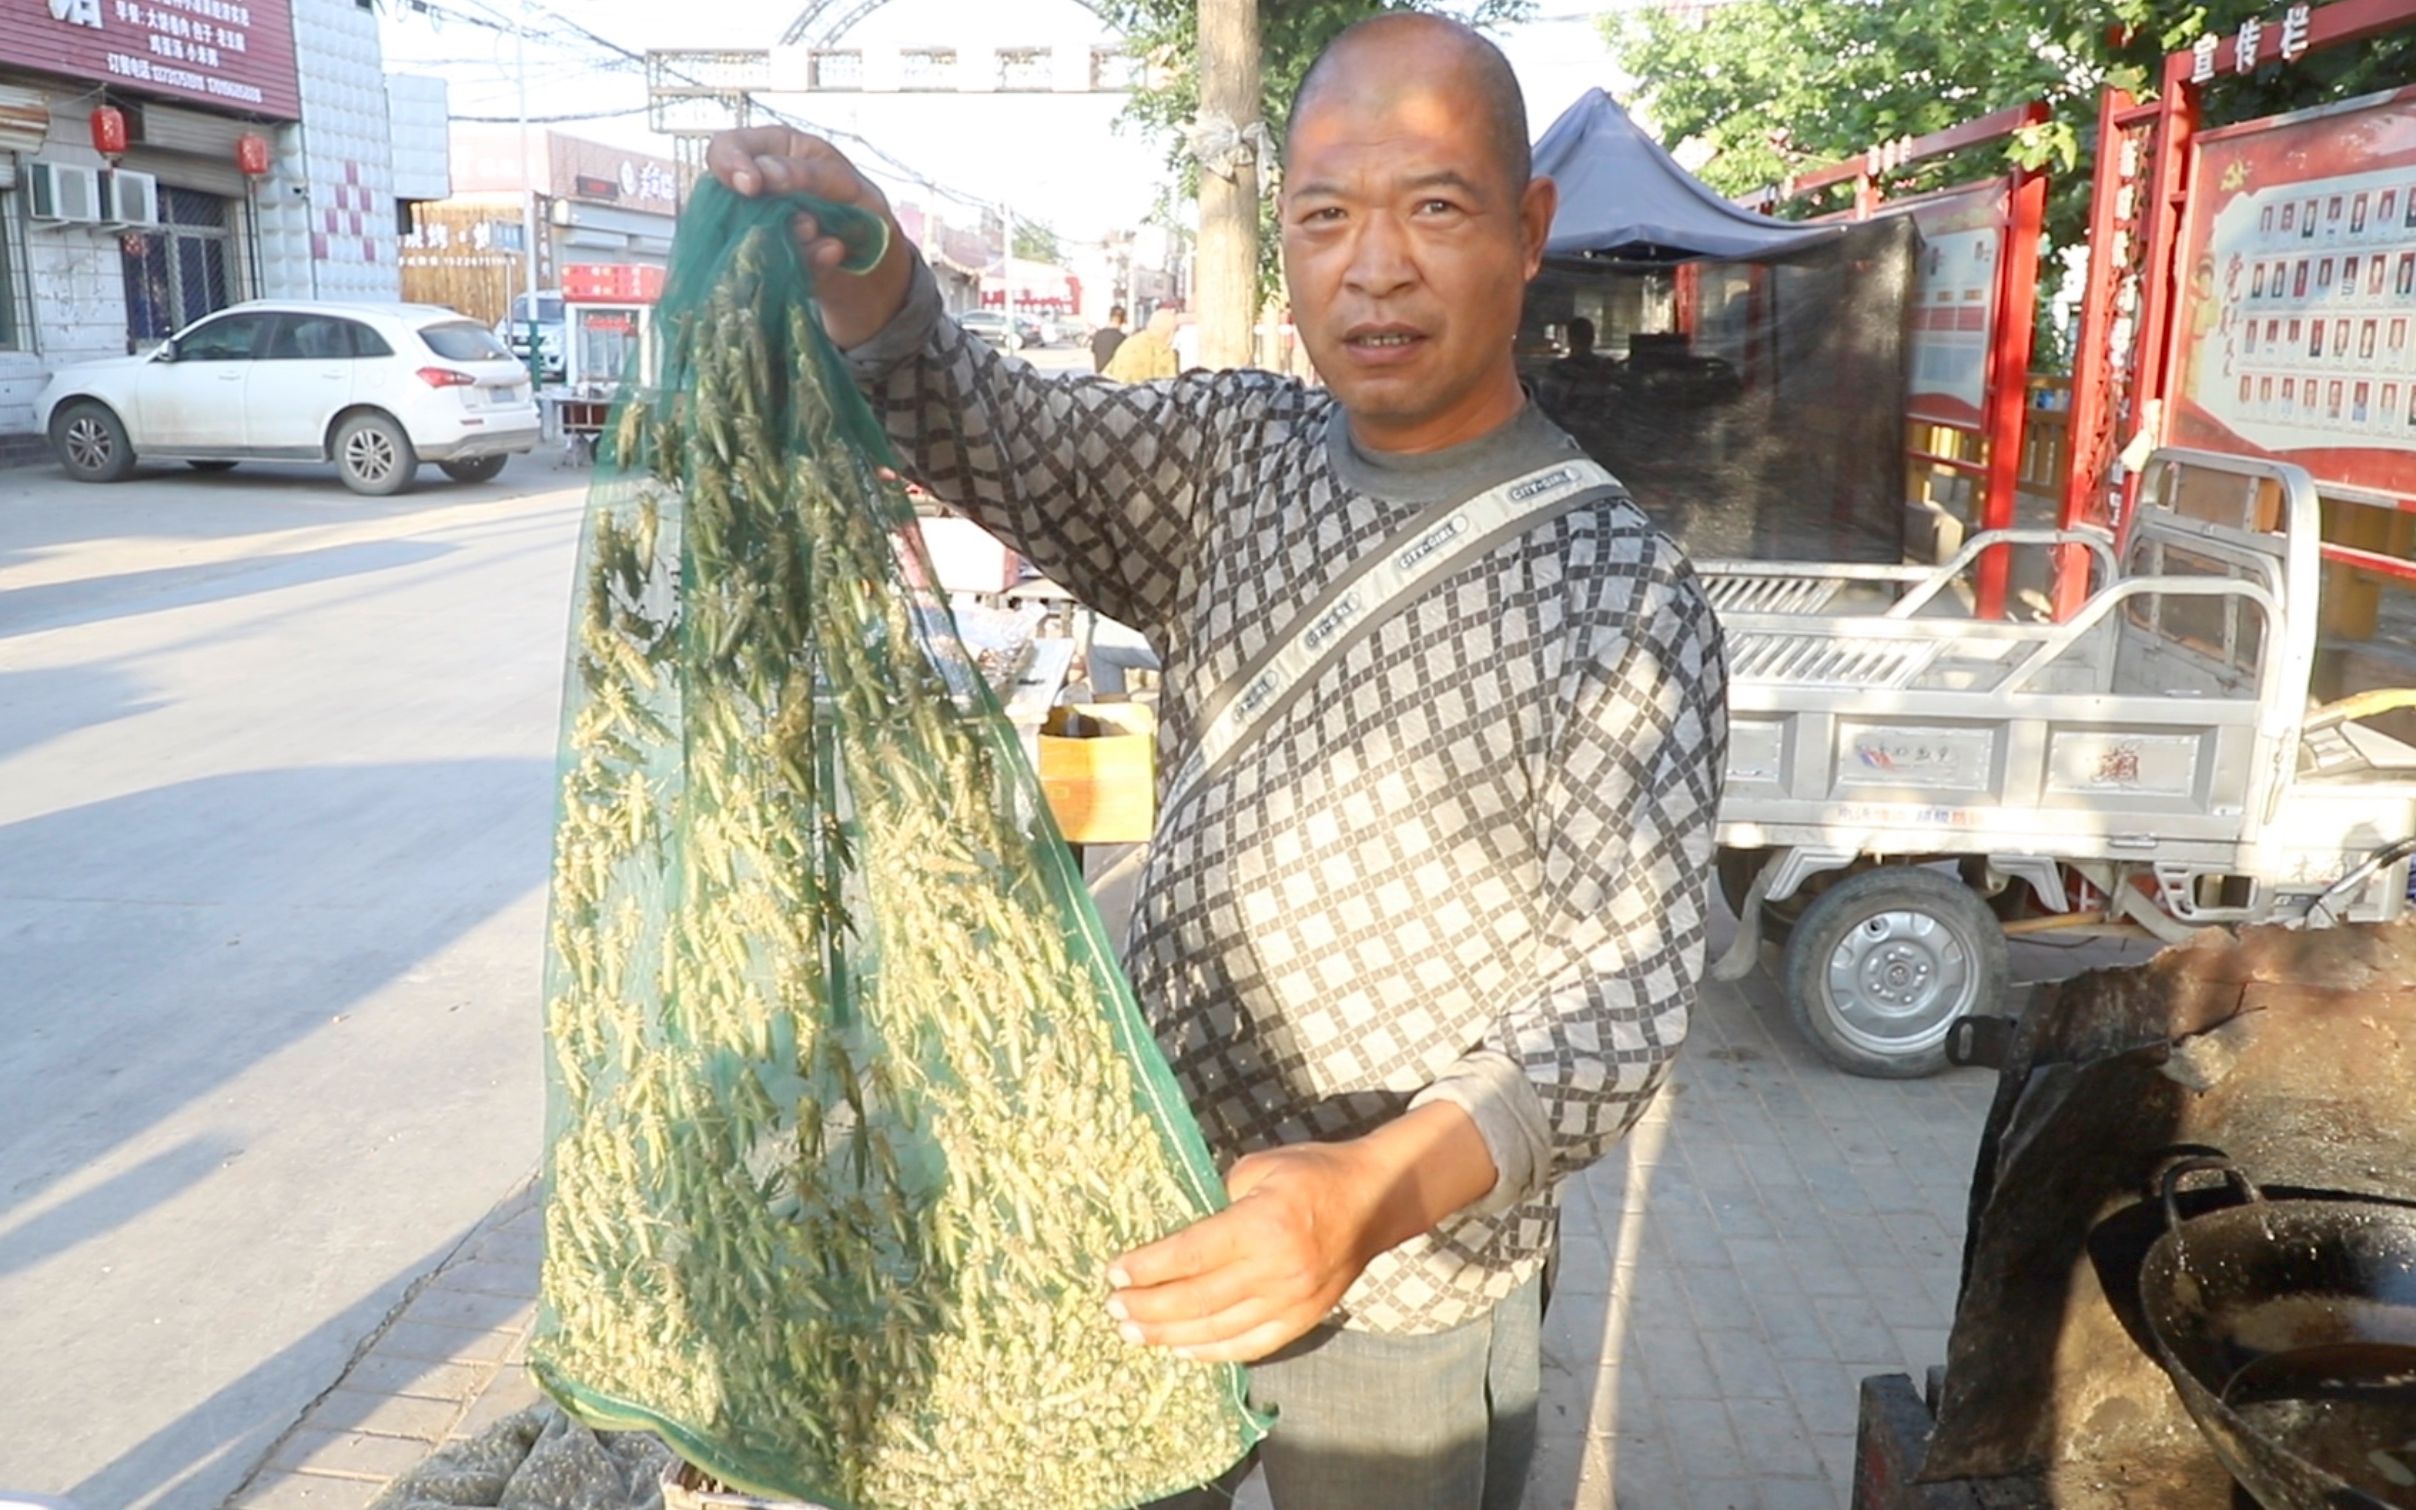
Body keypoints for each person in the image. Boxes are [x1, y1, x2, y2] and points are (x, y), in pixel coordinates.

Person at [707, 13, 1725, 1507]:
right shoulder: (1233, 453)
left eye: (1433, 208)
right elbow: (997, 429)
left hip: (1415, 1288)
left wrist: (1369, 1191)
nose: (1372, 264)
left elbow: (1621, 994)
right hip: (1164, 1197)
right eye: (1325, 215)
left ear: (1529, 229)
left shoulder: (1622, 593)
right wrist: (873, 269)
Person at [1104, 306, 1180, 382]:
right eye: (1176, 330)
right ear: (1171, 332)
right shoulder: (1164, 352)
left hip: (1120, 391)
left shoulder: (1128, 343)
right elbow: (1168, 386)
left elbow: (1107, 374)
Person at [1092, 303, 1129, 373]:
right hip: (1115, 380)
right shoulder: (1122, 338)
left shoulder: (1098, 335)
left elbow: (1093, 356)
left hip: (1099, 378)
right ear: (1122, 319)